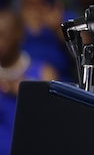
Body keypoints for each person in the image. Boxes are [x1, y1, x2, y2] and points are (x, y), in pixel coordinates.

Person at [0, 9, 57, 155]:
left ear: (19, 34)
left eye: (3, 35)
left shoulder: (43, 72)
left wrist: (26, 90)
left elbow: (55, 115)